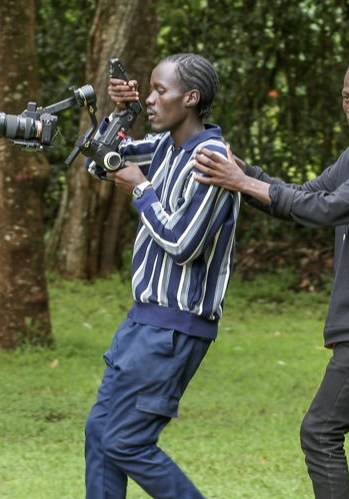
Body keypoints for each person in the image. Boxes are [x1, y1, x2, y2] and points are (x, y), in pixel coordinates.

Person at [192, 53, 349, 498]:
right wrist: (243, 172)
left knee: (319, 433)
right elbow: (309, 194)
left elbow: (327, 210)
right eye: (347, 98)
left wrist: (242, 182)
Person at [82, 53, 240, 499]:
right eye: (148, 90)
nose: (151, 99)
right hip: (142, 321)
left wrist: (141, 190)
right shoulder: (167, 145)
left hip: (175, 328)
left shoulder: (211, 159)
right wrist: (122, 113)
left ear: (190, 98)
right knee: (100, 432)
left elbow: (184, 244)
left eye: (159, 91)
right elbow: (99, 160)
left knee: (126, 441)